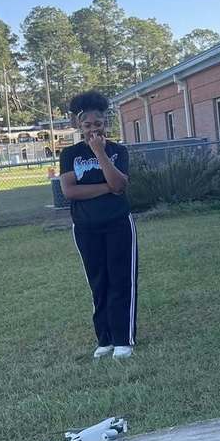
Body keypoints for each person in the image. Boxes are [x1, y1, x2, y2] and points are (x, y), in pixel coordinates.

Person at [59, 91, 137, 360]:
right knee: (98, 281)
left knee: (120, 280)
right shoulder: (69, 154)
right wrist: (107, 187)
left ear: (106, 123)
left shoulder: (118, 151)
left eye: (98, 123)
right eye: (88, 124)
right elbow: (70, 191)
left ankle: (122, 338)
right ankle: (104, 339)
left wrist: (100, 153)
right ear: (79, 126)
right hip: (85, 226)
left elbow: (119, 186)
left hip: (118, 224)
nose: (94, 129)